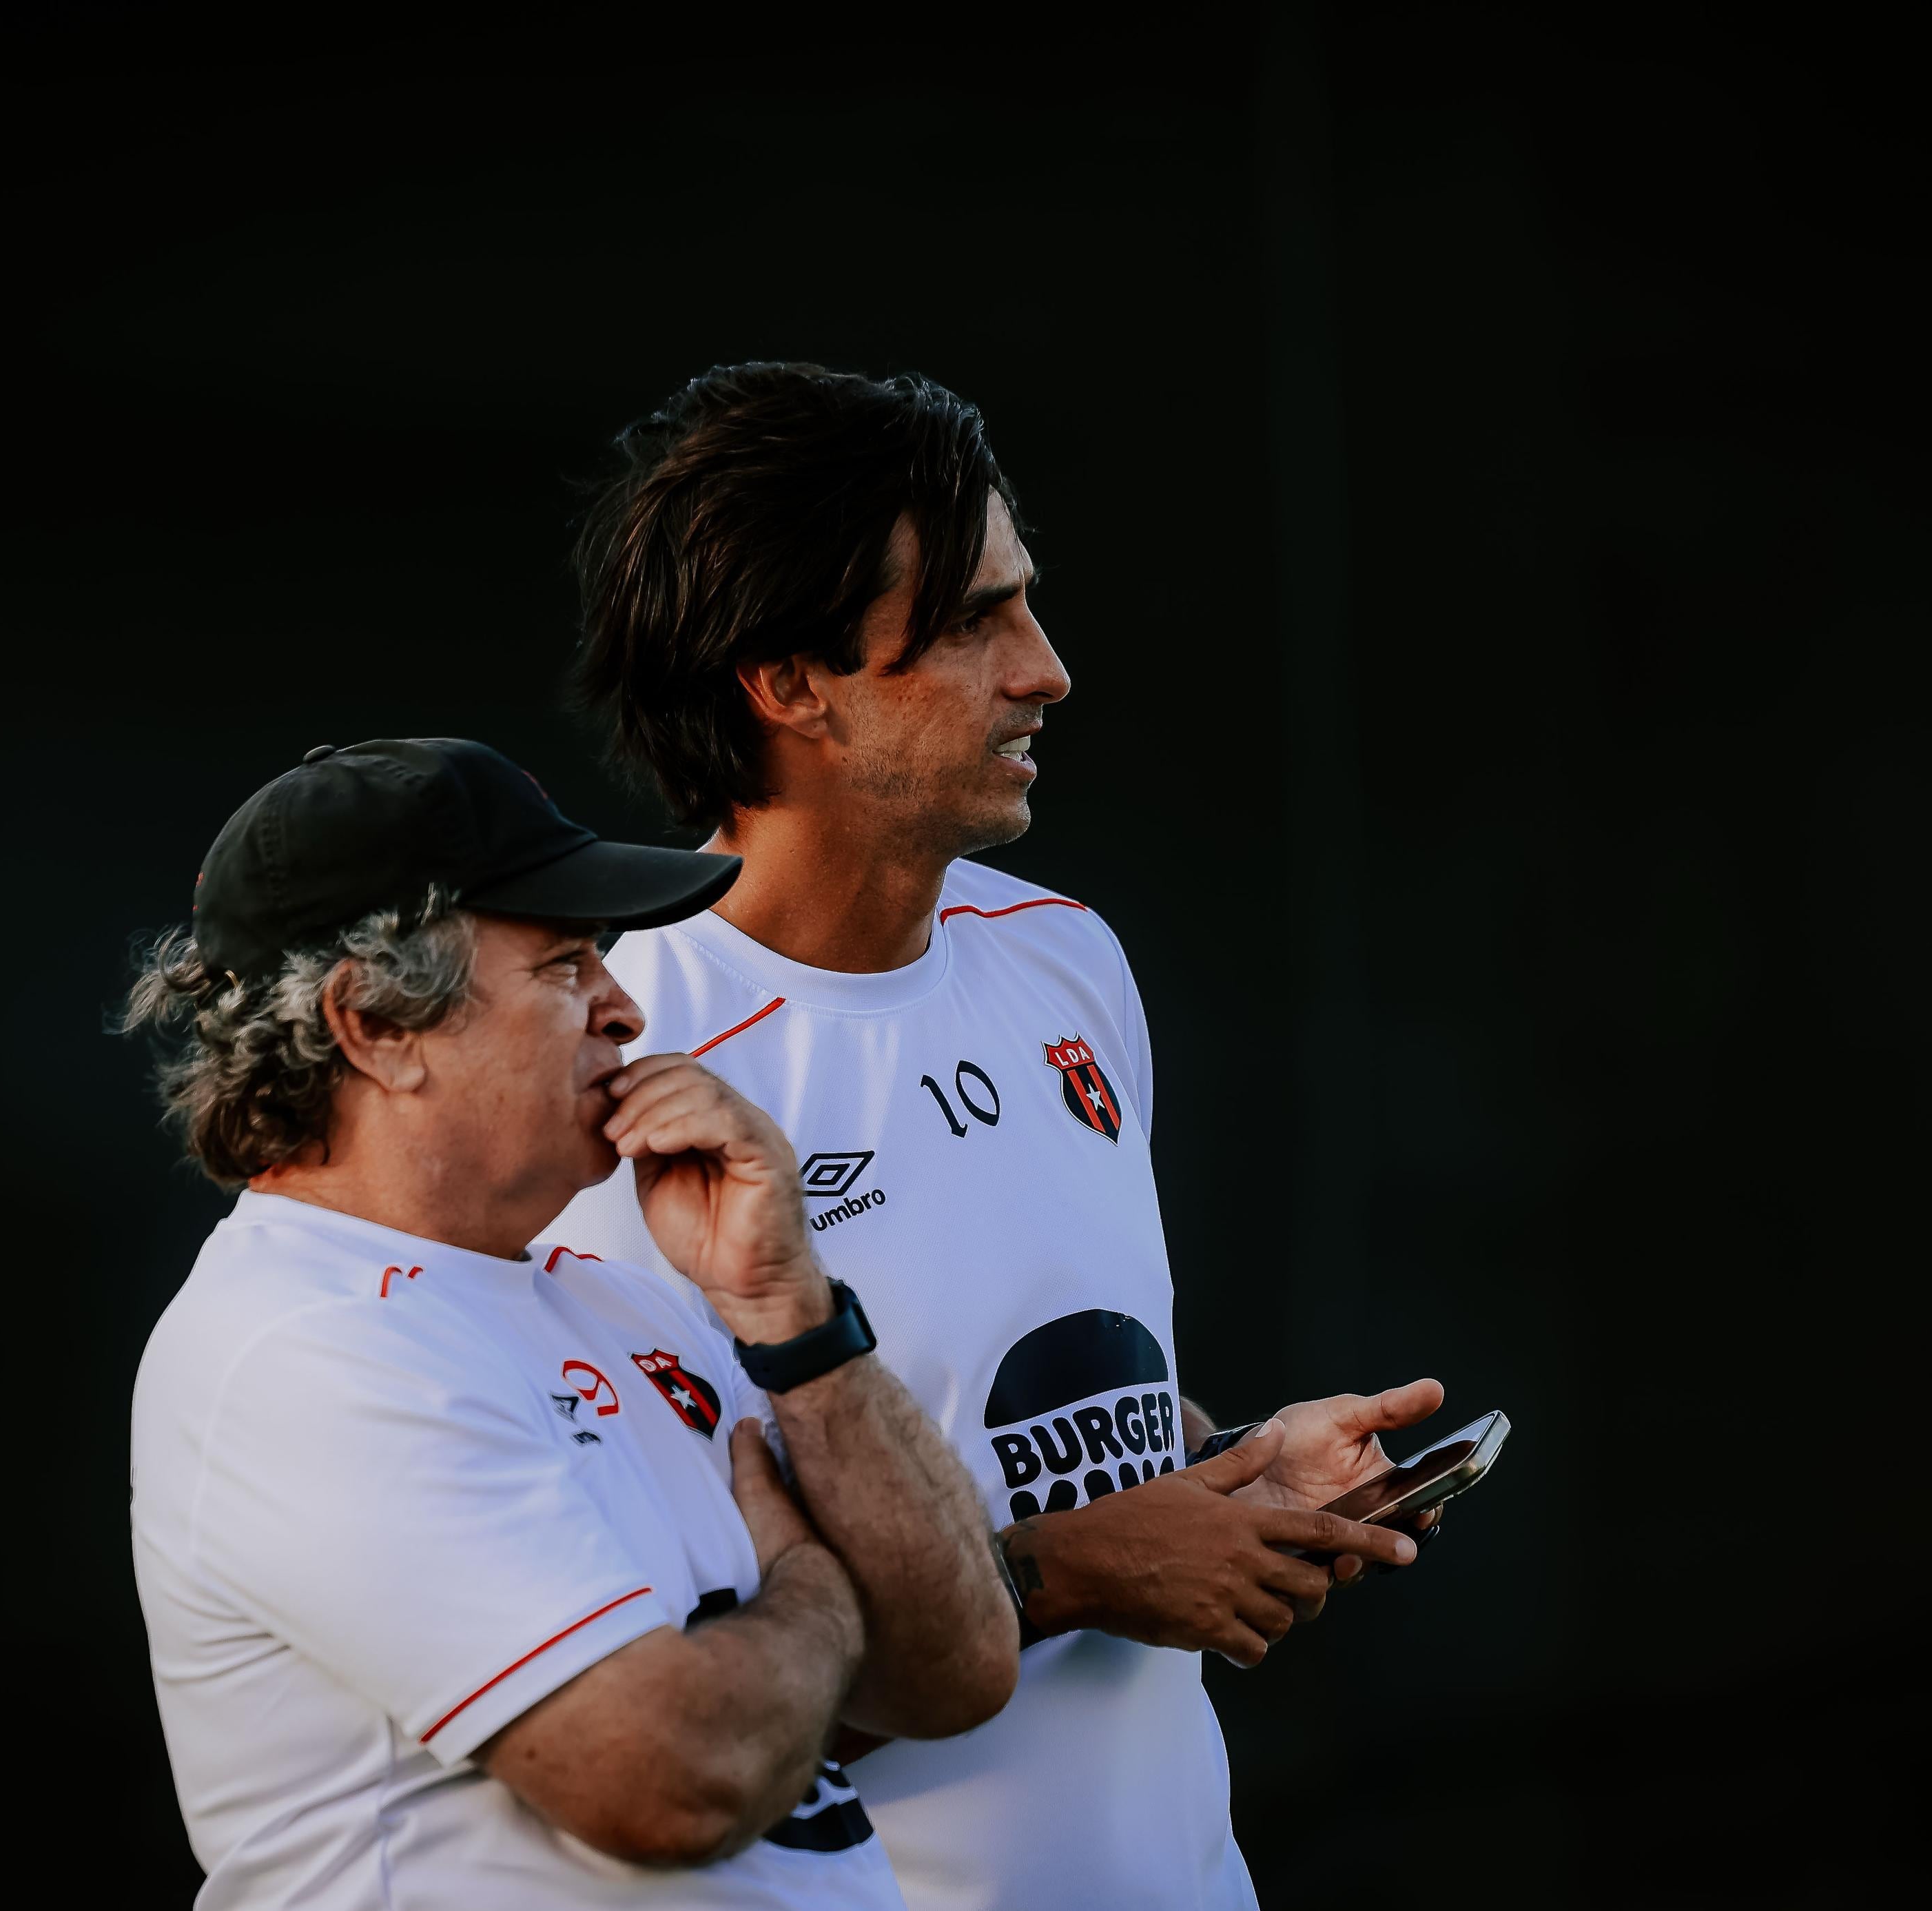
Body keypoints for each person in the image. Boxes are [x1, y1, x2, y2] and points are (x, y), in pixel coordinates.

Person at [554, 365, 1443, 1910]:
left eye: (1023, 605)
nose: (1046, 670)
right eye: (971, 622)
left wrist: (1234, 1471)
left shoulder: (1064, 958)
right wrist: (1078, 1572)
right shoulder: (621, 1047)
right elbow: (650, 1671)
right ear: (788, 681)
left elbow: (1027, 1420)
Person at [123, 737, 1017, 1910]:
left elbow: (959, 1665)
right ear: (374, 1025)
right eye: (563, 965)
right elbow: (675, 1776)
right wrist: (810, 1583)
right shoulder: (300, 1345)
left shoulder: (622, 1295)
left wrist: (789, 1309)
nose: (625, 1005)